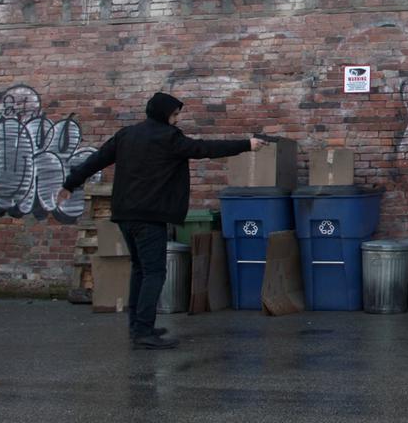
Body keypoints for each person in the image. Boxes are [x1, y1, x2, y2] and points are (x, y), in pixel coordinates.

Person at [57, 92, 266, 349]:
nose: (177, 119)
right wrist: (246, 144)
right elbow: (205, 149)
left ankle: (138, 326)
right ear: (164, 113)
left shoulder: (126, 135)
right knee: (154, 272)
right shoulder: (169, 138)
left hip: (125, 215)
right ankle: (143, 332)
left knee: (140, 269)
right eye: (175, 114)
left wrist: (70, 184)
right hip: (149, 217)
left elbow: (96, 160)